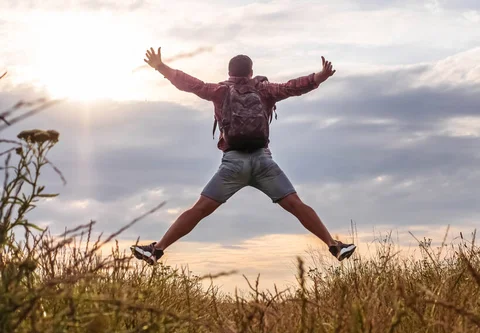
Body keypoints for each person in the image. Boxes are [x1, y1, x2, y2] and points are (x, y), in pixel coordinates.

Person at [130, 47, 356, 265]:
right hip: (263, 161)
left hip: (233, 164)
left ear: (229, 73)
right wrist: (321, 76)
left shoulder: (219, 91)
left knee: (198, 210)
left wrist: (160, 66)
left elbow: (191, 84)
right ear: (251, 72)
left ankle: (157, 250)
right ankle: (333, 245)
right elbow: (292, 87)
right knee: (296, 205)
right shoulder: (265, 89)